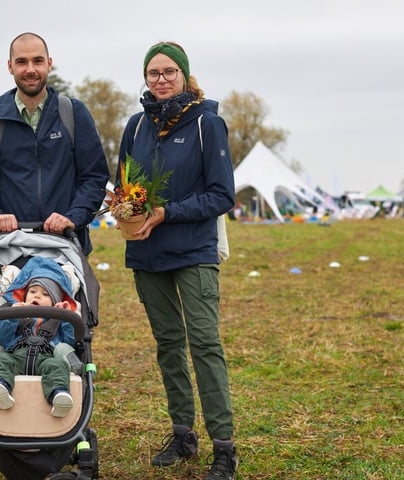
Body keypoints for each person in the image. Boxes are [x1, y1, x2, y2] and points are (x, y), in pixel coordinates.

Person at [115, 41, 237, 479]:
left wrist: (168, 212)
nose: (161, 79)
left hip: (193, 251)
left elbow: (223, 195)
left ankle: (224, 447)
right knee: (168, 345)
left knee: (204, 344)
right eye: (153, 73)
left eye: (169, 72)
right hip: (146, 252)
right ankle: (183, 435)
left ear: (185, 75)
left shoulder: (207, 123)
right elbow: (123, 185)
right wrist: (125, 211)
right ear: (145, 79)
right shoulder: (135, 126)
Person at [0, 32, 109, 255]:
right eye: (21, 62)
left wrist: (72, 217)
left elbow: (95, 177)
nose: (30, 69)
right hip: (9, 246)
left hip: (65, 245)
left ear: (49, 64)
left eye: (37, 61)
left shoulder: (73, 113)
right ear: (10, 67)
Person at [0, 256, 79, 418]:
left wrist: (65, 317)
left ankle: (59, 394)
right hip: (17, 356)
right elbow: (0, 337)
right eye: (33, 292)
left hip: (46, 357)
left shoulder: (57, 319)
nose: (37, 296)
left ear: (55, 301)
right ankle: (1, 386)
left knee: (57, 366)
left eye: (45, 294)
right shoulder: (16, 313)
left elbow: (71, 341)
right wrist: (12, 315)